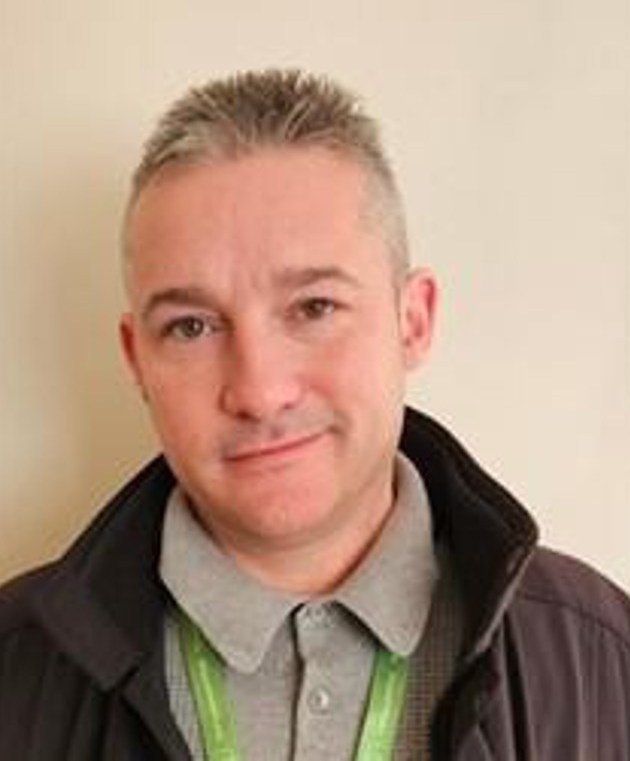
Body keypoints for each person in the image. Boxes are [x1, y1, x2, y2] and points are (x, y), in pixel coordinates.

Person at [0, 69, 628, 761]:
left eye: (314, 308)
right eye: (191, 327)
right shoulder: (17, 671)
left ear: (412, 321)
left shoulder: (601, 655)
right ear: (136, 359)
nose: (260, 391)